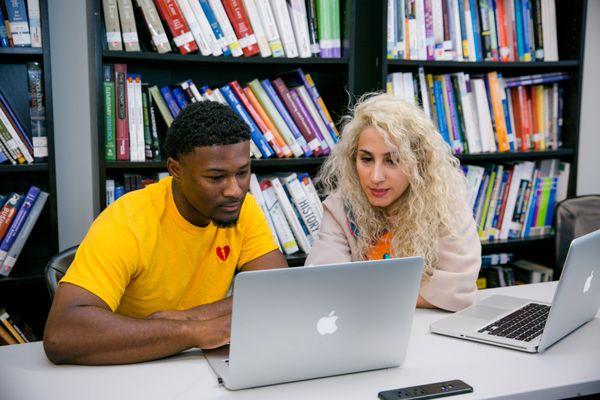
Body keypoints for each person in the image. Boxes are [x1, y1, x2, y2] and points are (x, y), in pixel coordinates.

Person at [44, 101, 287, 365]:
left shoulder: (243, 209)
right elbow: (61, 335)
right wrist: (194, 332)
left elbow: (279, 292)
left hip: (203, 363)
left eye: (242, 173)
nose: (235, 190)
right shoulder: (126, 221)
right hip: (136, 367)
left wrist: (189, 317)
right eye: (216, 177)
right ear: (175, 170)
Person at [305, 93, 481, 311]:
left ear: (419, 162)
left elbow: (459, 291)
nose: (376, 176)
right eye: (366, 159)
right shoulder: (341, 206)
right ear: (353, 160)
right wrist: (417, 291)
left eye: (392, 160)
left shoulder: (445, 202)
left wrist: (358, 290)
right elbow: (321, 282)